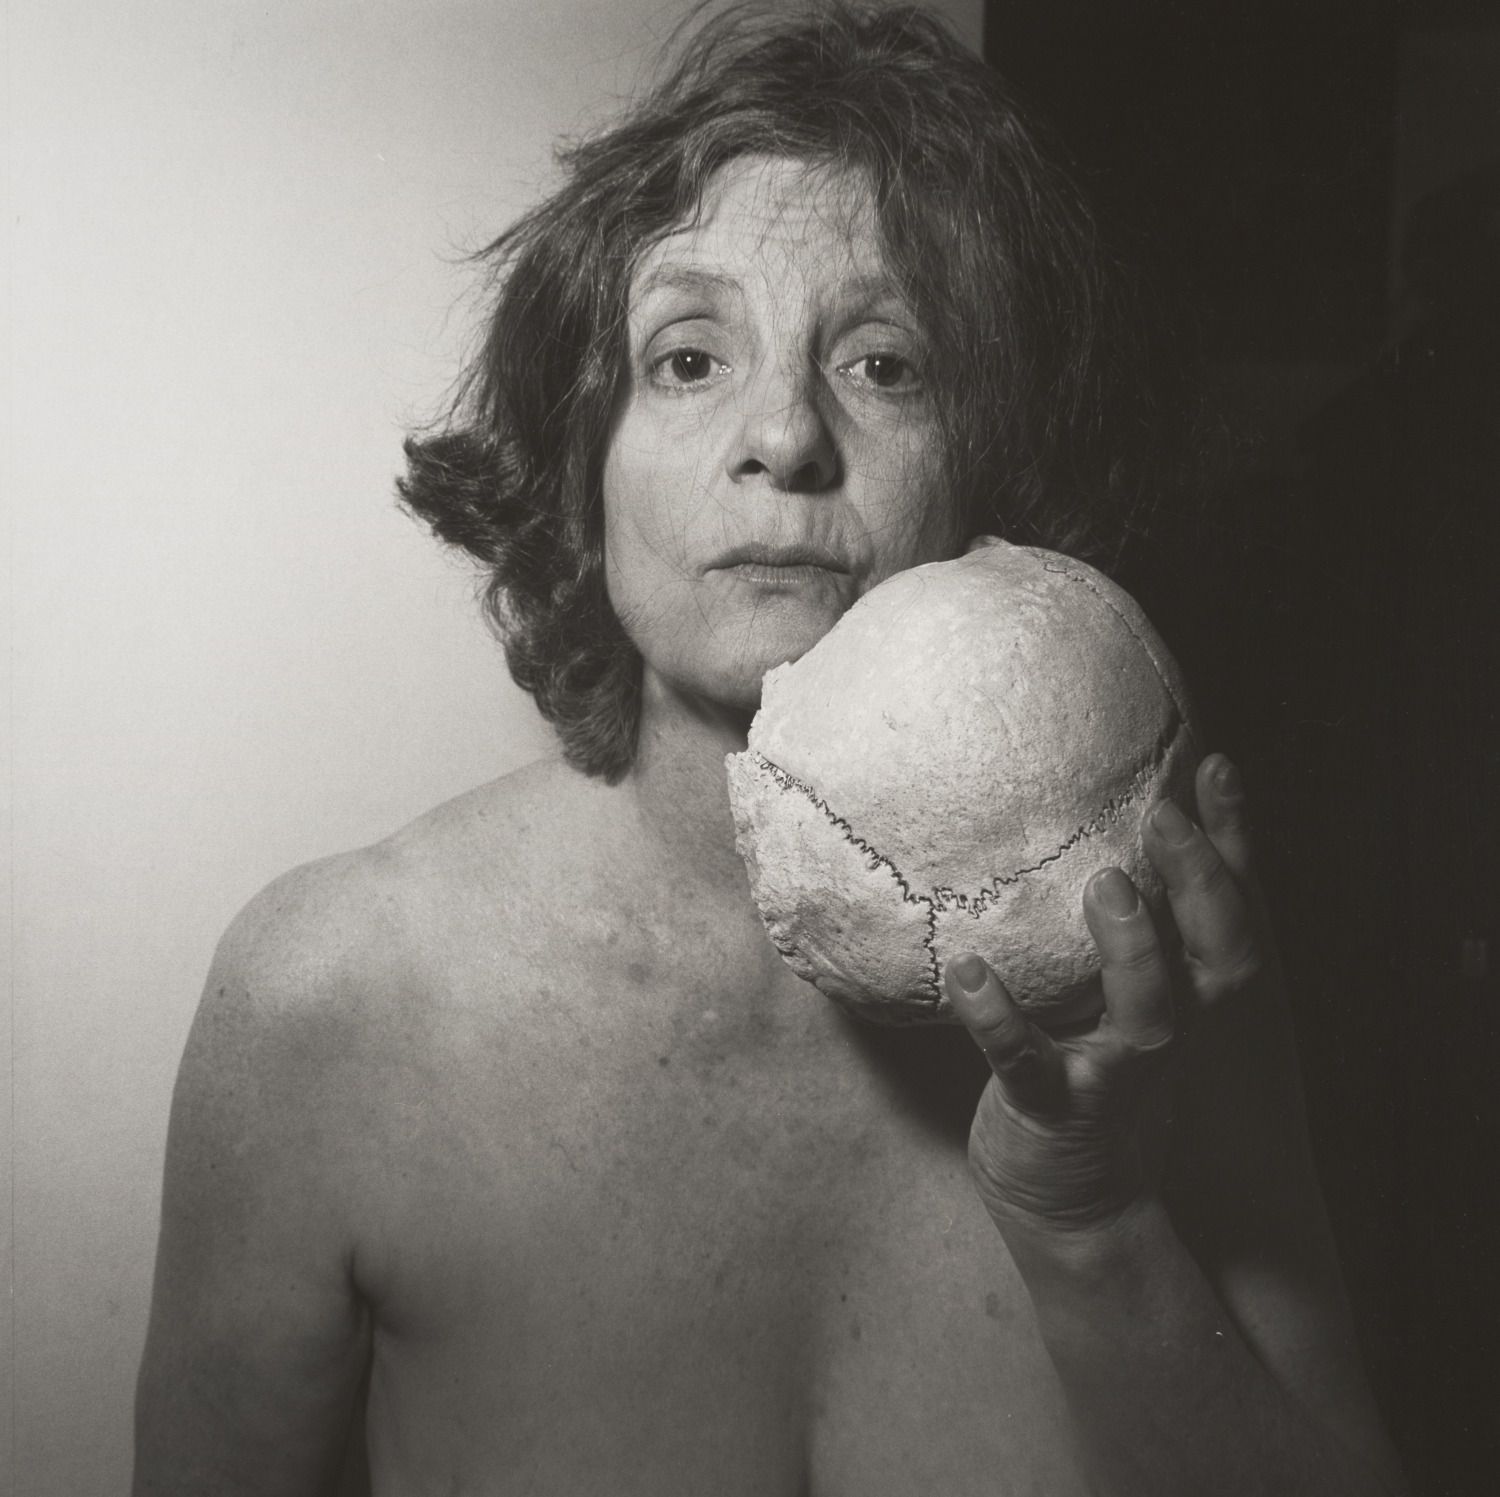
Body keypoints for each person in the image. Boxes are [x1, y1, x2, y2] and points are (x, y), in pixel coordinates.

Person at [133, 5, 1409, 1493]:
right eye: (688, 359)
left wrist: (1098, 1233)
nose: (783, 436)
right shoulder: (327, 1003)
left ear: (993, 468)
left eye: (885, 363)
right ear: (578, 458)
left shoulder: (1156, 992)